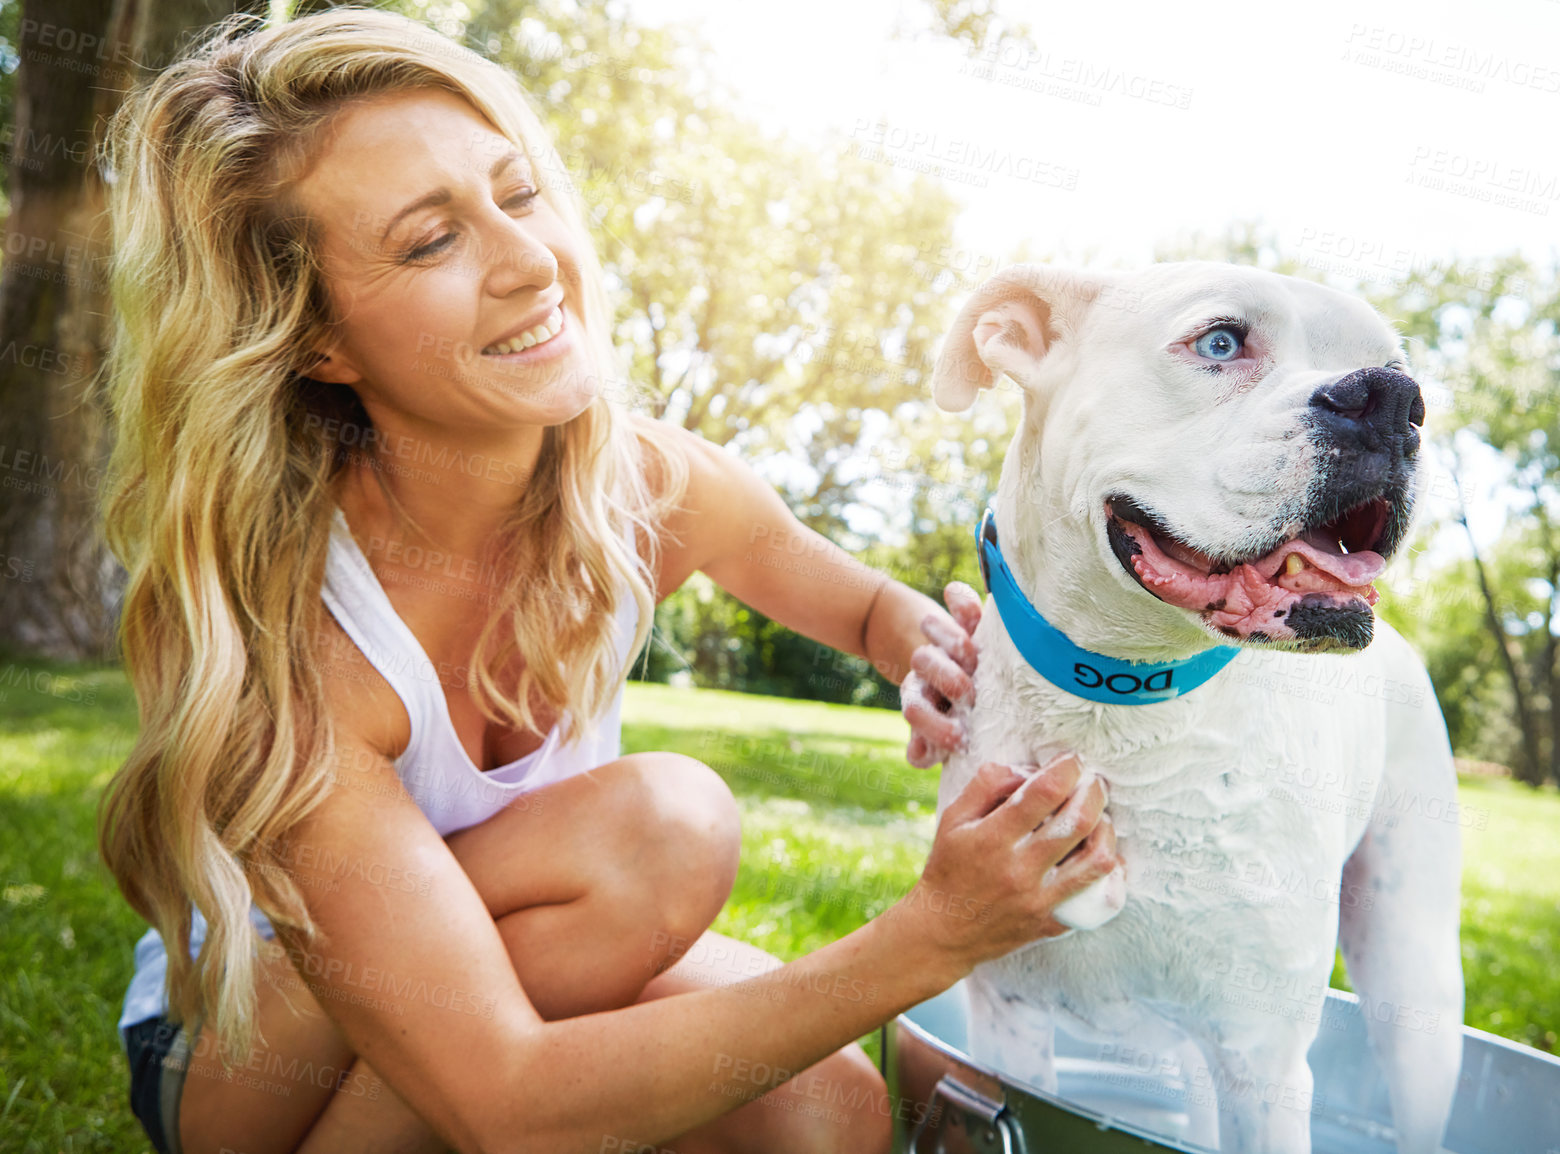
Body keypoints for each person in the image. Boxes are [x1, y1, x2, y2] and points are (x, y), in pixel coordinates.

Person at [94, 8, 1118, 1153]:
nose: (533, 262)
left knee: (821, 1103)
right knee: (653, 832)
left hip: (524, 968)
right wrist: (935, 933)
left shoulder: (652, 486)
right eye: (431, 241)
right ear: (317, 340)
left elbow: (872, 609)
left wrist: (922, 649)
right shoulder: (305, 636)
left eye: (518, 194)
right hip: (248, 1065)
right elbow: (510, 1104)